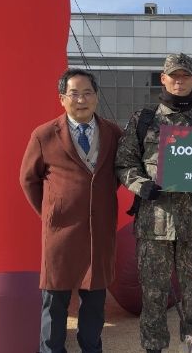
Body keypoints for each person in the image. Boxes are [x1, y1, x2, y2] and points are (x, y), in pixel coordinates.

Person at [115, 53, 192, 353]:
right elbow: (124, 163)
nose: (179, 81)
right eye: (174, 75)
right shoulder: (144, 120)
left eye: (185, 75)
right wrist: (141, 185)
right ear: (163, 79)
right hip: (154, 227)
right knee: (154, 297)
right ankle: (153, 348)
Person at [20, 68, 122, 353]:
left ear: (97, 97)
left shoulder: (113, 133)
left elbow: (119, 173)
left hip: (99, 232)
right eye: (74, 94)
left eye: (88, 93)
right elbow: (28, 180)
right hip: (60, 233)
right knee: (55, 303)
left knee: (94, 304)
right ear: (62, 99)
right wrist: (51, 212)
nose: (81, 100)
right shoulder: (44, 135)